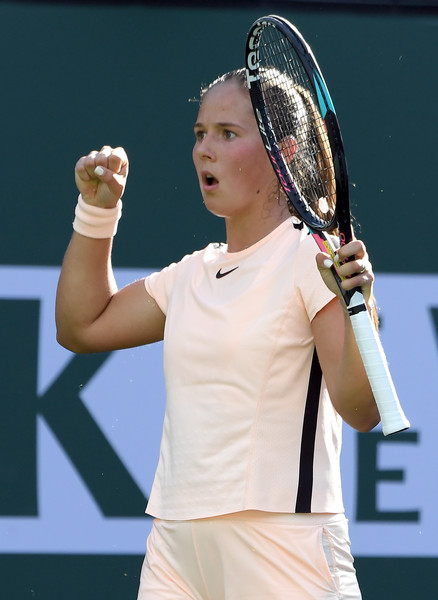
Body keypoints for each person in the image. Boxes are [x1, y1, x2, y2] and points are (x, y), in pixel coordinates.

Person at [56, 67, 381, 599]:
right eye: (199, 133)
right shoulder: (193, 273)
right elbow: (81, 325)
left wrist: (361, 309)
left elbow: (360, 411)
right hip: (176, 546)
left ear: (284, 152)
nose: (204, 150)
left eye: (227, 134)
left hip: (283, 545)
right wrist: (97, 210)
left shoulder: (311, 257)